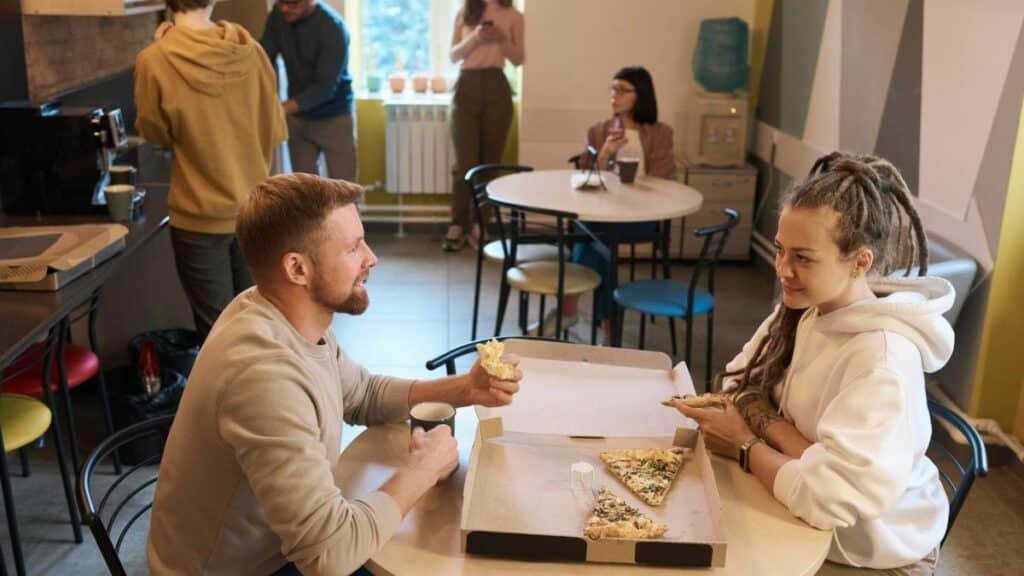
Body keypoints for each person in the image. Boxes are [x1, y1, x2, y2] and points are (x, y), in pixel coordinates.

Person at [147, 173, 522, 576]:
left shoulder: (281, 311)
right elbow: (329, 555)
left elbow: (361, 393)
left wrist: (466, 388)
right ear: (297, 269)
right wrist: (422, 471)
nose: (371, 257)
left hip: (282, 547)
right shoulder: (262, 377)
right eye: (352, 248)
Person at [672, 153, 951, 575]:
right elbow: (735, 384)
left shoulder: (881, 360)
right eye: (782, 250)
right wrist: (795, 447)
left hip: (874, 555)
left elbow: (826, 499)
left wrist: (748, 444)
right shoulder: (805, 308)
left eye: (803, 257)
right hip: (801, 510)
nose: (783, 269)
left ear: (860, 261)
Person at [135, 0, 287, 340]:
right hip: (255, 213)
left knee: (218, 336)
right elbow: (275, 129)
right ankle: (265, 393)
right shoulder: (252, 52)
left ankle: (233, 395)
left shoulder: (155, 60)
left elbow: (156, 133)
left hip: (198, 218)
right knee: (260, 325)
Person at [551, 66, 675, 338]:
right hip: (605, 214)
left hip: (643, 217)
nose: (614, 95)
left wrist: (633, 185)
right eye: (612, 88)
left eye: (623, 89)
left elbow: (664, 178)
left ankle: (569, 309)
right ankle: (606, 322)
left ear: (640, 95)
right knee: (598, 237)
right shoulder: (599, 131)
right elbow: (584, 174)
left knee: (591, 236)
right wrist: (605, 153)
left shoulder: (661, 133)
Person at [444, 0, 525, 251]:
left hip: (496, 85)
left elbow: (519, 58)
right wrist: (477, 37)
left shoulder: (513, 15)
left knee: (490, 163)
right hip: (466, 84)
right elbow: (453, 55)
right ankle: (457, 224)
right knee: (464, 164)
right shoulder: (466, 12)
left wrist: (501, 37)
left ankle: (481, 224)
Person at [262, 0, 357, 181]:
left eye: (292, 4)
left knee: (344, 194)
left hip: (335, 118)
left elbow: (325, 87)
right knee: (305, 193)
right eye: (281, 2)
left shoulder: (333, 28)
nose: (284, 9)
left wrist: (282, 108)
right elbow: (264, 57)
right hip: (299, 121)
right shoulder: (278, 16)